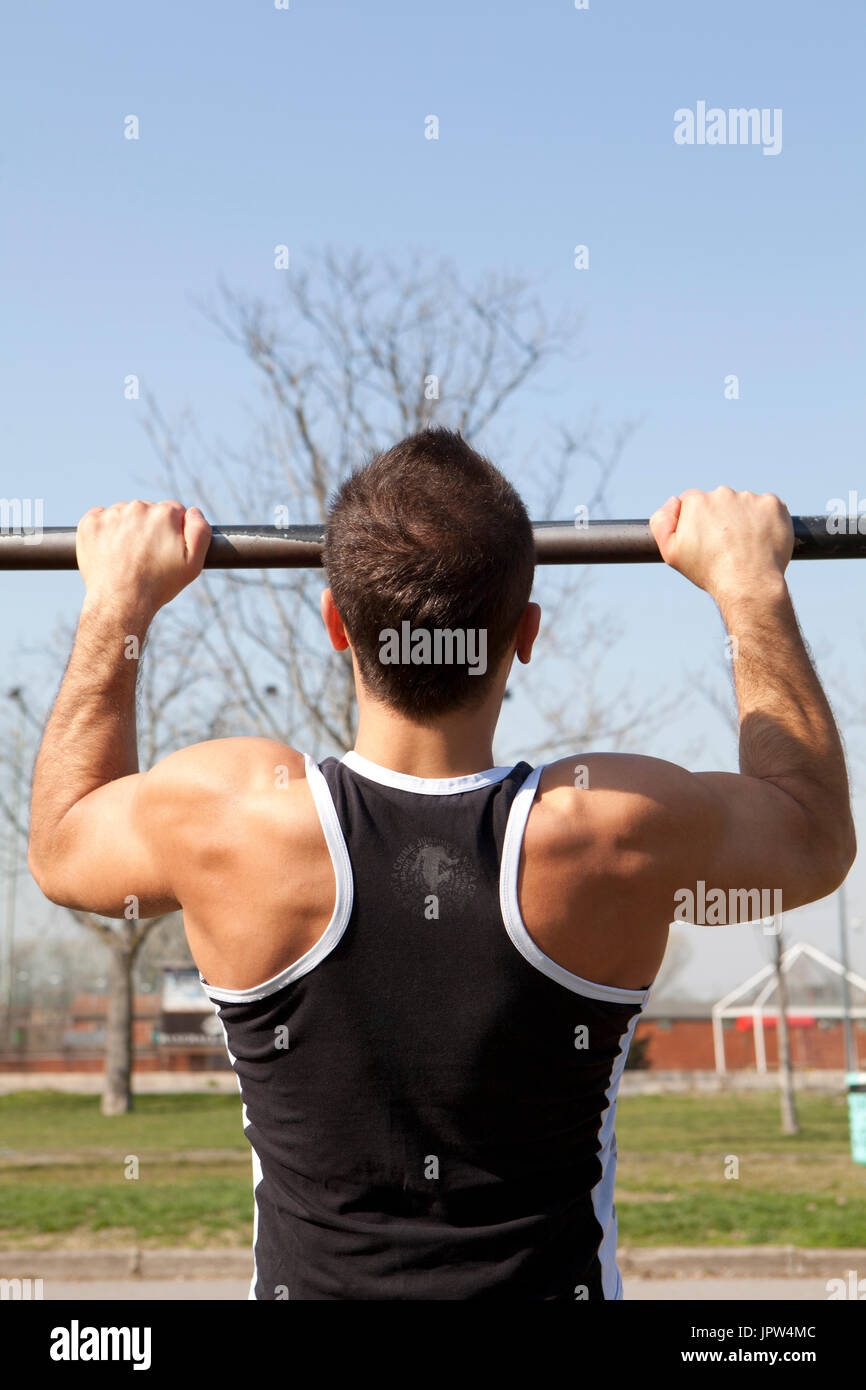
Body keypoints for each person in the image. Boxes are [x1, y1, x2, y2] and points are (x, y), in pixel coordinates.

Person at [27, 427, 856, 1300]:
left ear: (336, 625)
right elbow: (812, 834)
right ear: (526, 633)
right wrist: (750, 588)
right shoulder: (604, 833)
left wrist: (117, 604)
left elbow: (62, 842)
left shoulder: (235, 819)